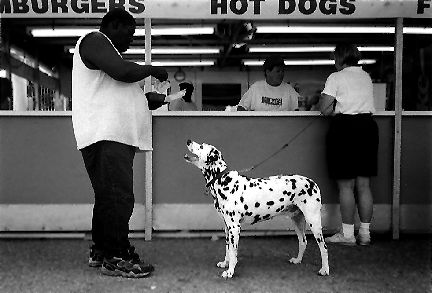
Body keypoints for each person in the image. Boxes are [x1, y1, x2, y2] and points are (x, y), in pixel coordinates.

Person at [71, 8, 168, 278]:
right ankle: (116, 257)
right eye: (130, 33)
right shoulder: (94, 40)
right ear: (114, 25)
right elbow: (122, 71)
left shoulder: (107, 56)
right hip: (106, 136)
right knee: (119, 197)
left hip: (110, 137)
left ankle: (102, 251)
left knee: (107, 197)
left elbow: (120, 86)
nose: (131, 40)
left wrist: (148, 100)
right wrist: (152, 69)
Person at [319, 44, 378, 246]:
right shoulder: (366, 76)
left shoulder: (336, 77)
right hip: (368, 128)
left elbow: (324, 108)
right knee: (364, 185)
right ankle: (365, 233)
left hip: (345, 129)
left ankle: (347, 235)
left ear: (340, 58)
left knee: (346, 186)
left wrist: (334, 105)